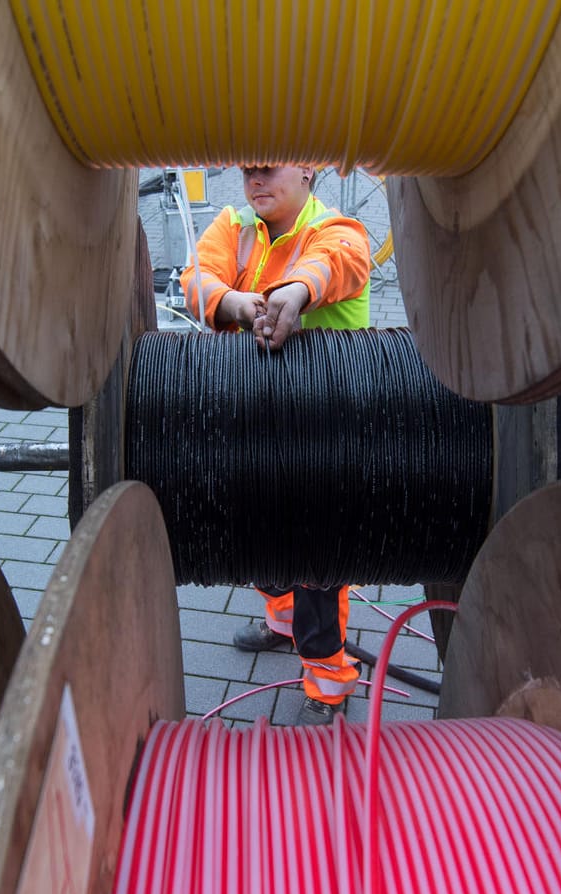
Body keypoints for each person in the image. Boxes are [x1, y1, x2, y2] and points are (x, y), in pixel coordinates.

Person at [179, 165, 372, 722]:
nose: (254, 181)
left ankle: (329, 682)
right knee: (258, 536)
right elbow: (199, 277)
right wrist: (234, 305)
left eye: (269, 168)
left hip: (324, 432)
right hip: (255, 423)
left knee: (317, 562)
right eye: (247, 170)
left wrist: (296, 291)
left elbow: (340, 262)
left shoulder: (338, 229)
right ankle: (280, 621)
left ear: (308, 168)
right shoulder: (233, 224)